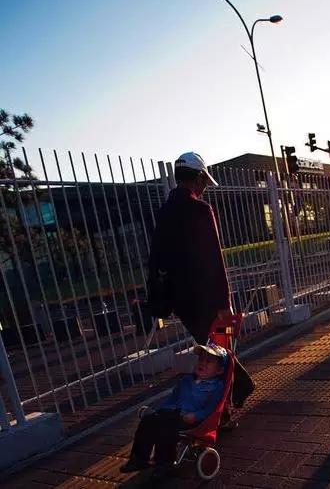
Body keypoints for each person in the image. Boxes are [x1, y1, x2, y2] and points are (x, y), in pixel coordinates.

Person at [147, 152, 231, 344]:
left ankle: (211, 371)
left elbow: (157, 256)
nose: (205, 188)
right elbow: (213, 259)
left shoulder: (164, 212)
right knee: (223, 352)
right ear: (199, 177)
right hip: (207, 299)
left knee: (208, 349)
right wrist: (224, 304)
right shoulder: (200, 210)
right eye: (205, 181)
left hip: (180, 302)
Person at [120, 343, 228, 476]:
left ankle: (165, 462)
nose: (203, 363)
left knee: (166, 427)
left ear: (219, 371)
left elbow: (212, 409)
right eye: (201, 359)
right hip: (172, 412)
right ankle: (139, 458)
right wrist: (160, 409)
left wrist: (196, 416)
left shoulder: (216, 387)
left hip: (189, 418)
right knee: (148, 421)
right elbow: (173, 398)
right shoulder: (187, 380)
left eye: (209, 361)